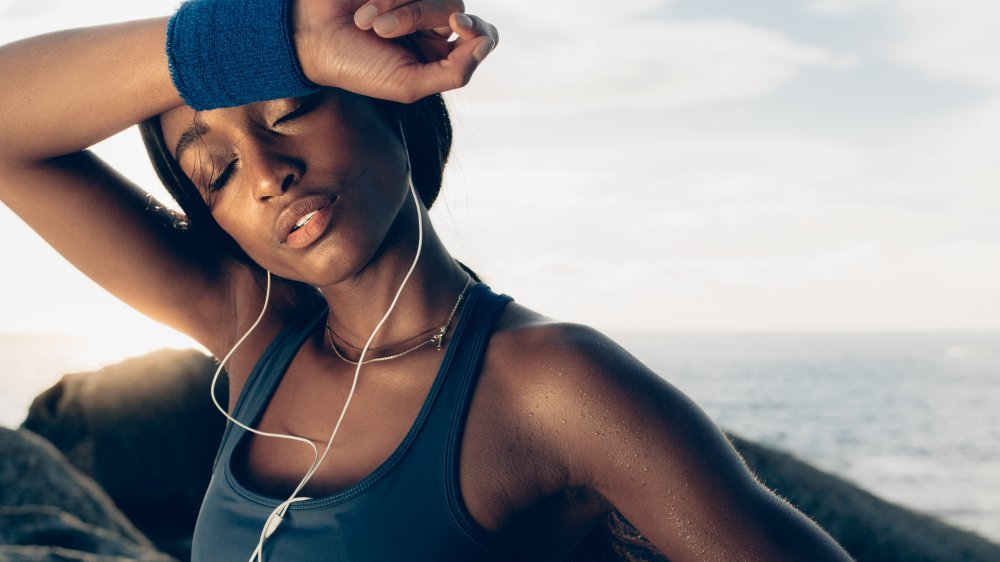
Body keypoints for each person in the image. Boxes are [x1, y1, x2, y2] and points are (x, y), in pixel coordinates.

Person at [0, 0, 855, 560]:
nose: (266, 174)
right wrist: (280, 39)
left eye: (291, 108)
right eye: (216, 170)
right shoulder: (256, 334)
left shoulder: (550, 384)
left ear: (388, 105)